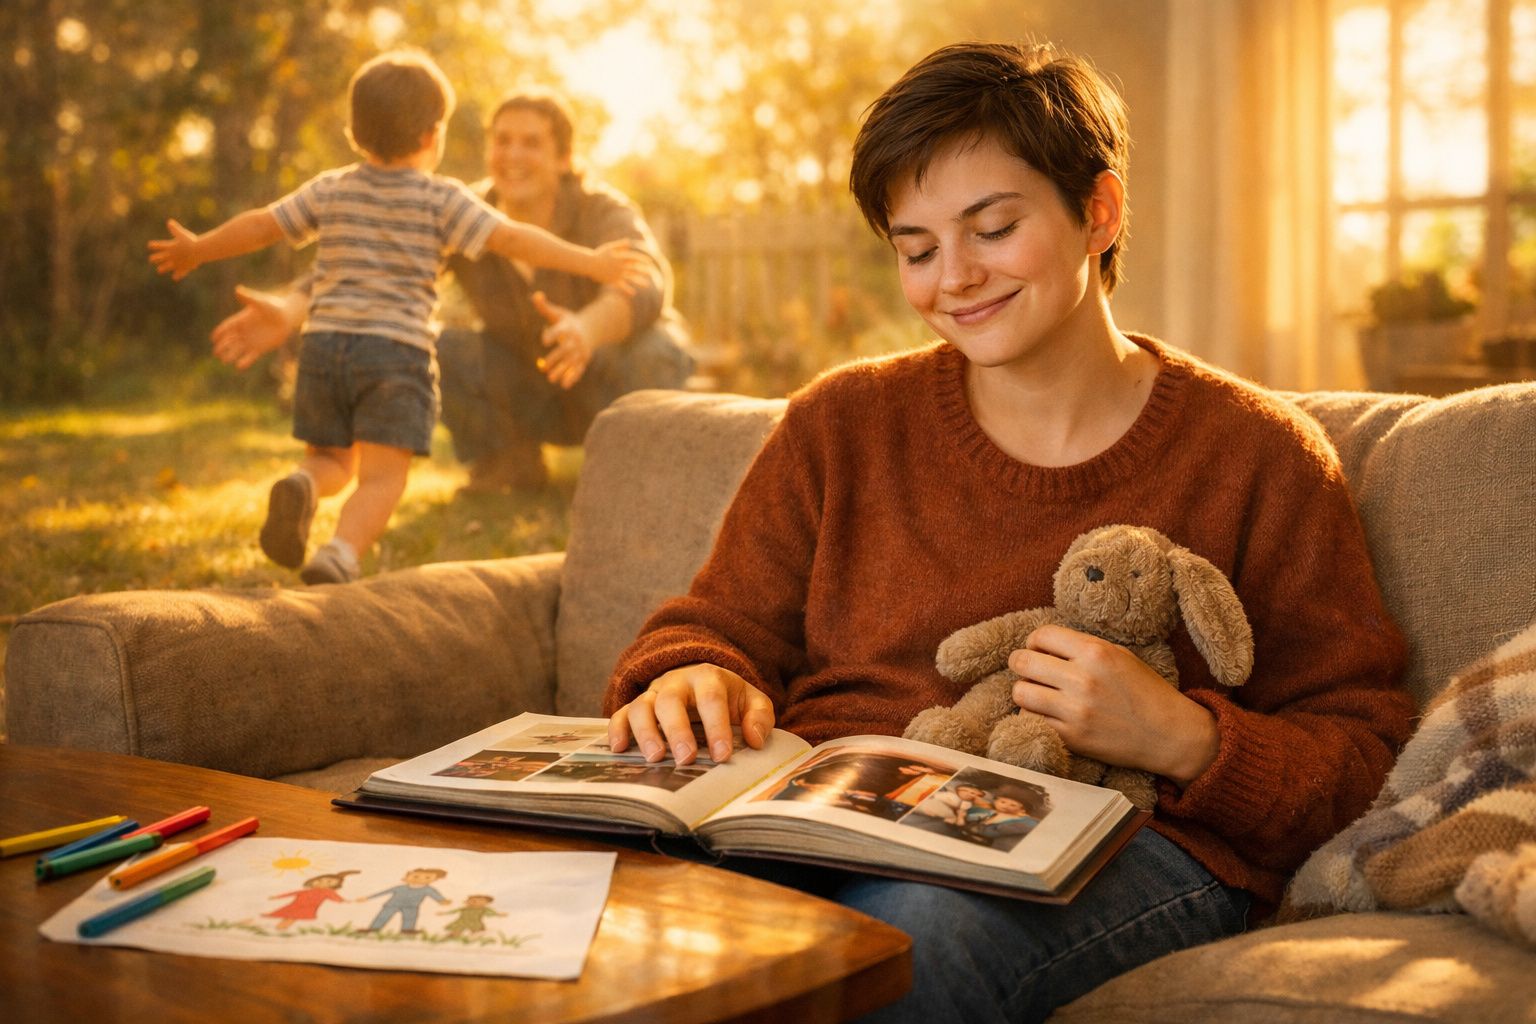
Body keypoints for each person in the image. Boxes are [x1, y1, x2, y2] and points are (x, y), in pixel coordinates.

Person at [602, 40, 1414, 1022]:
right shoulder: (839, 423)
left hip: (1124, 840)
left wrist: (1187, 737)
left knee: (908, 948)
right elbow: (717, 623)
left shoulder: (1260, 456)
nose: (956, 278)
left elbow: (1368, 759)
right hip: (825, 820)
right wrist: (695, 669)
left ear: (1098, 210)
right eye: (917, 249)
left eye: (992, 227)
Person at [149, 51, 647, 584]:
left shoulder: (332, 188)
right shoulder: (443, 200)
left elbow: (262, 225)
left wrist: (200, 247)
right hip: (394, 355)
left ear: (354, 133)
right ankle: (340, 552)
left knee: (334, 462)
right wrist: (589, 260)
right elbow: (511, 238)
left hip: (324, 351)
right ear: (434, 136)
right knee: (382, 477)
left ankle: (303, 485)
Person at [209, 88, 695, 495]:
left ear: (564, 158)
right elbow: (372, 262)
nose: (513, 155)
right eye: (502, 141)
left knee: (659, 349)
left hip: (607, 378)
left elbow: (647, 280)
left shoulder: (600, 208)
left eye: (531, 143)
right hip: (527, 379)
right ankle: (509, 463)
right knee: (440, 346)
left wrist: (586, 329)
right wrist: (290, 308)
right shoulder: (466, 210)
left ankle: (638, 479)